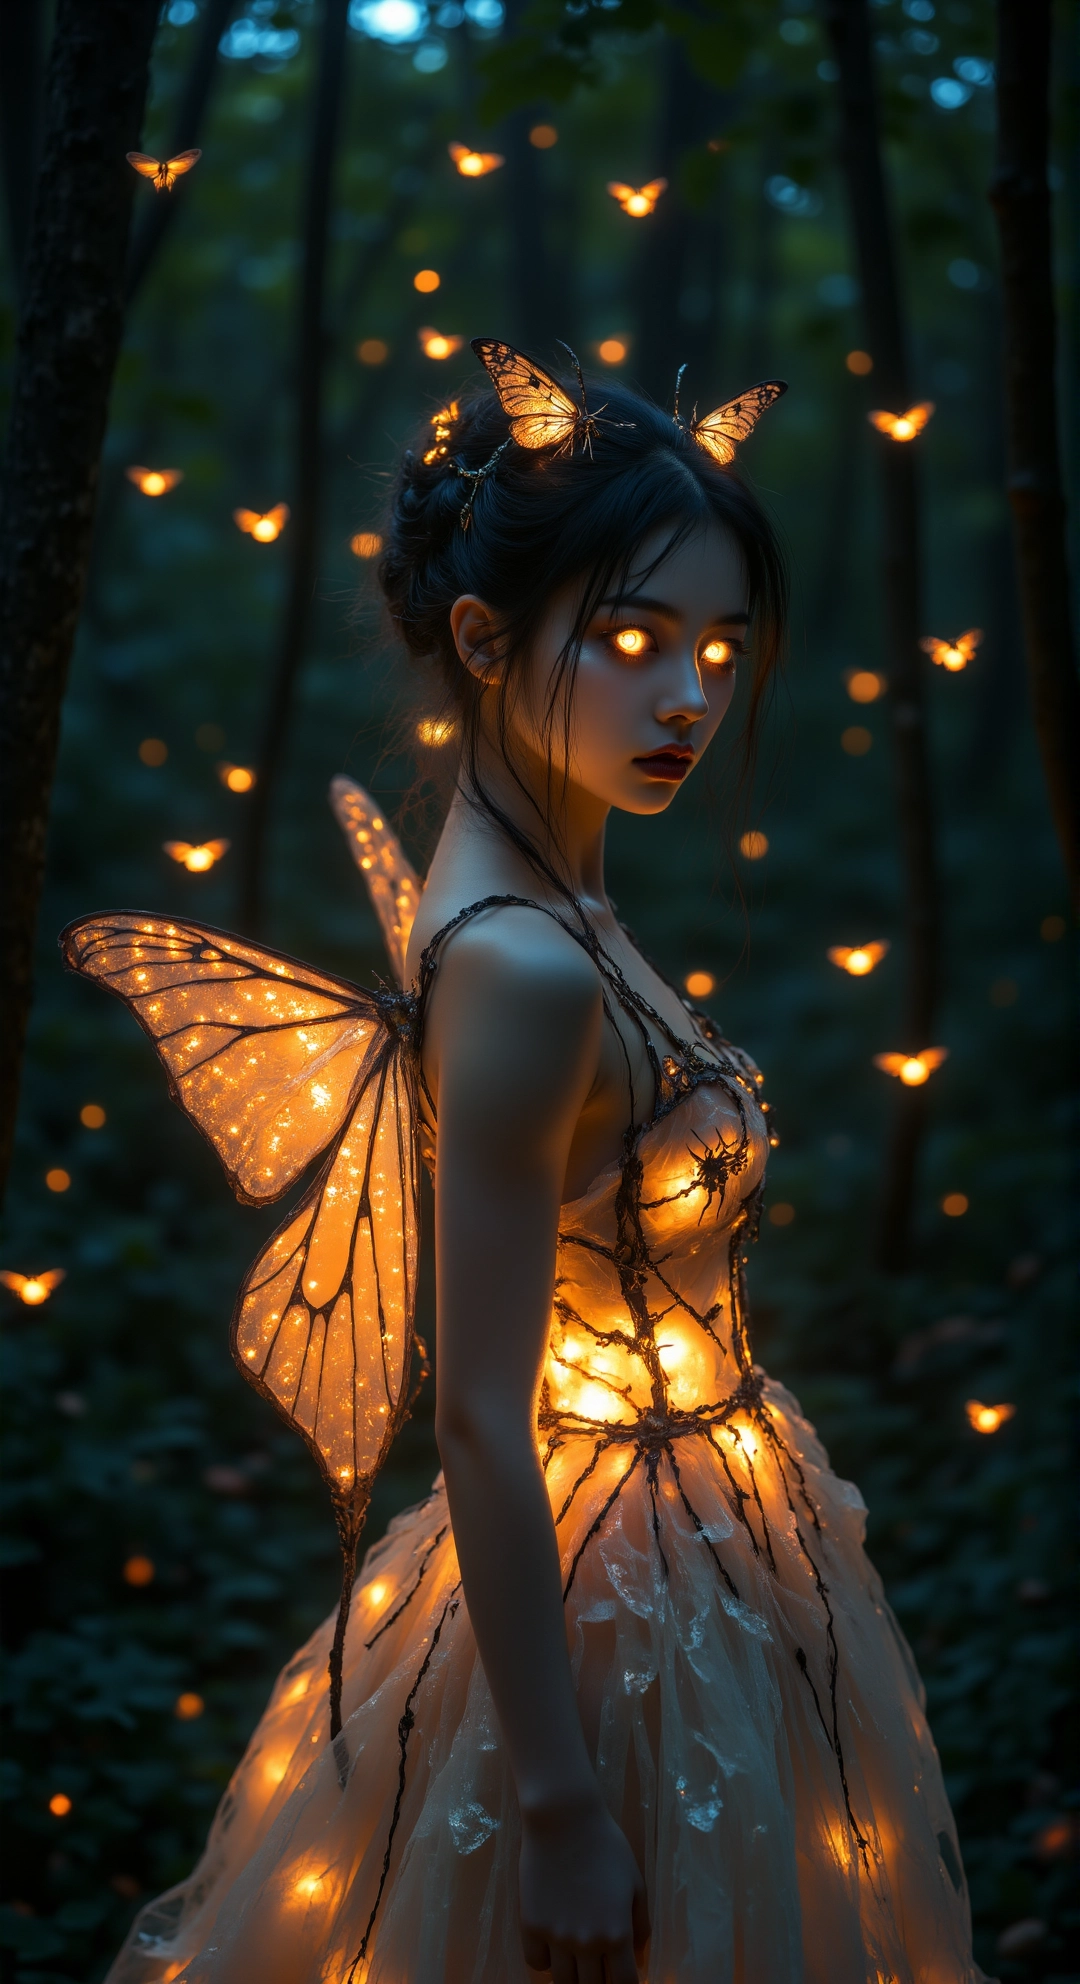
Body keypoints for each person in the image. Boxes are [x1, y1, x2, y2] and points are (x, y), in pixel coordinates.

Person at [87, 352, 987, 1983]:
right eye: (635, 640)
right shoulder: (526, 962)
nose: (689, 701)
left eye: (719, 649)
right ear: (487, 642)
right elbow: (476, 1418)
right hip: (612, 1588)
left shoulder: (547, 885)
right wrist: (567, 1804)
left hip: (710, 1530)